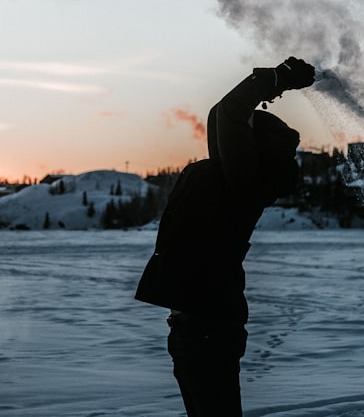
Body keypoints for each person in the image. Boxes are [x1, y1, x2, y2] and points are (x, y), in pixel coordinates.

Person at [135, 56, 316, 416]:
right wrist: (272, 84)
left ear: (254, 147)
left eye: (249, 129)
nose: (237, 129)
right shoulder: (234, 176)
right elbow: (223, 114)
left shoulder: (245, 180)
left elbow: (230, 114)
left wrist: (275, 81)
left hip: (207, 329)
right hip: (198, 327)